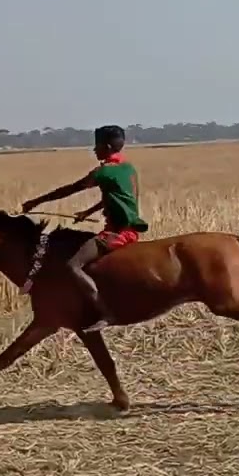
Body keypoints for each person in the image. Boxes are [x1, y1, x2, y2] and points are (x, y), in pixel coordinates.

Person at [20, 124, 148, 331]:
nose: (94, 150)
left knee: (72, 265)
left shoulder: (104, 172)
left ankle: (105, 312)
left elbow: (70, 190)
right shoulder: (127, 168)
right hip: (131, 229)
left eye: (96, 146)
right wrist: (87, 213)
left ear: (106, 146)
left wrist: (36, 202)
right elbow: (117, 197)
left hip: (117, 234)